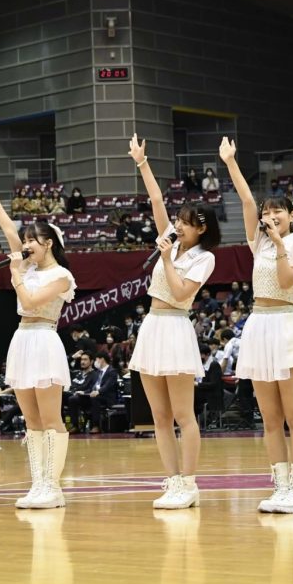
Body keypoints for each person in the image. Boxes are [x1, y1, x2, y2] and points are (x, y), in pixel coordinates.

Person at [221, 136, 293, 513]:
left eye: (279, 211)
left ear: (292, 216)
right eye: (267, 211)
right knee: (270, 418)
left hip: (286, 324)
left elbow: (285, 280)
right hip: (259, 326)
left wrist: (279, 243)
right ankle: (279, 486)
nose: (271, 215)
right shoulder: (256, 243)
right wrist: (231, 162)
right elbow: (246, 201)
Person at [127, 134, 219, 510]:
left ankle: (190, 482)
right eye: (178, 221)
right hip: (152, 326)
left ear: (203, 229)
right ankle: (172, 480)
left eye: (187, 223)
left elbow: (182, 294)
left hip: (177, 326)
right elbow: (156, 200)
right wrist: (142, 163)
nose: (178, 226)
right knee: (160, 417)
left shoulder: (204, 259)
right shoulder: (170, 236)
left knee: (184, 414)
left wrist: (166, 259)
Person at [0, 174, 76, 509]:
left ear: (49, 243)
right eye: (25, 241)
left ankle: (53, 485)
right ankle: (38, 482)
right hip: (22, 339)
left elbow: (34, 301)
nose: (25, 245)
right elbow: (9, 230)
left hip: (44, 338)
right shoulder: (28, 267)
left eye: (32, 241)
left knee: (50, 417)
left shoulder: (61, 276)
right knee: (31, 419)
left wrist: (15, 274)